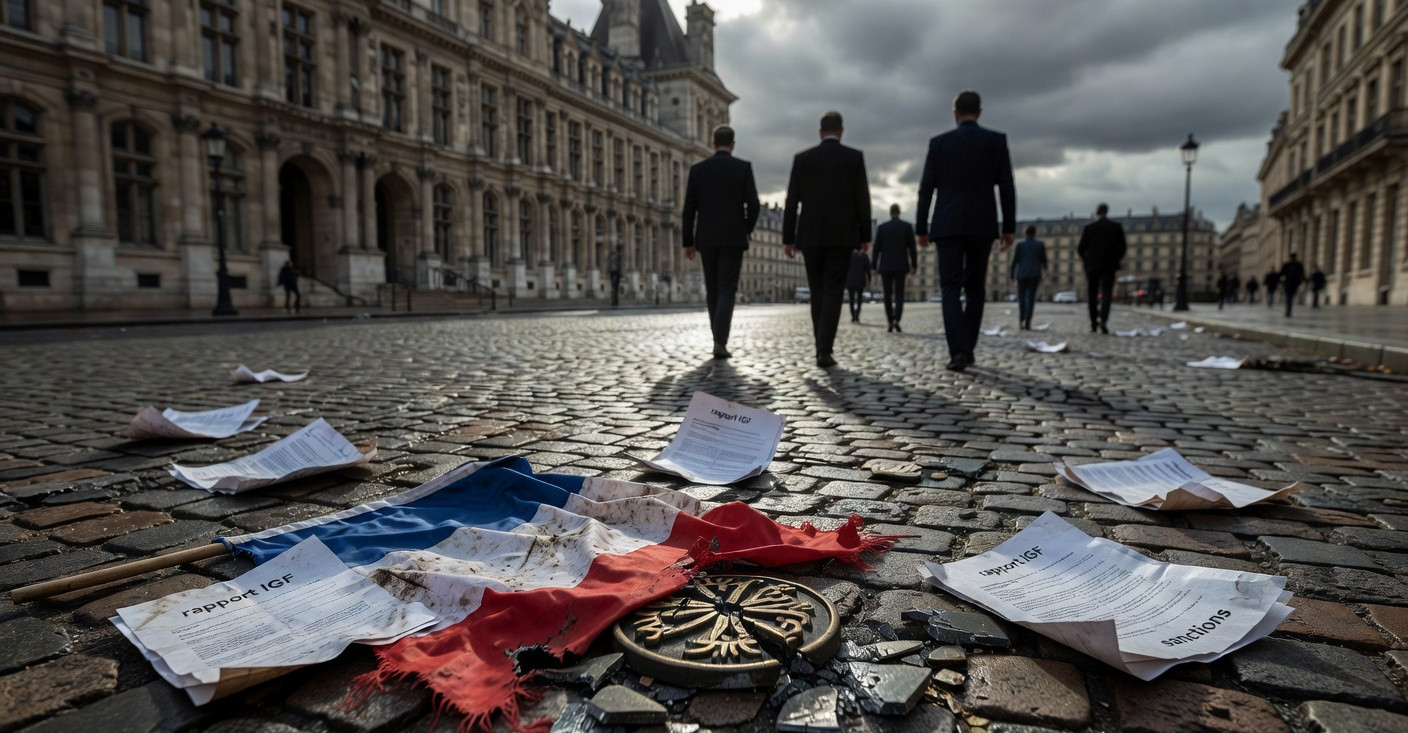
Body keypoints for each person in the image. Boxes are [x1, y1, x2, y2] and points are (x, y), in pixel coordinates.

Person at [916, 90, 1016, 372]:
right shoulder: (997, 141)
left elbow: (926, 189)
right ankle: (968, 348)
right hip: (982, 224)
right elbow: (1006, 186)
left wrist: (921, 226)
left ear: (955, 113)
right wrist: (1008, 227)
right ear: (980, 112)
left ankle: (957, 351)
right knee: (975, 288)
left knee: (949, 287)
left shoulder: (939, 143)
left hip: (947, 223)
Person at [783, 110, 872, 368]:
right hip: (842, 235)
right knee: (833, 290)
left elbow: (791, 202)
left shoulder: (803, 159)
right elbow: (862, 199)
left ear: (820, 132)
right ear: (841, 131)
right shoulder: (853, 158)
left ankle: (819, 345)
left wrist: (789, 238)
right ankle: (825, 349)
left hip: (810, 235)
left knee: (817, 291)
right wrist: (865, 235)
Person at [682, 125, 761, 360]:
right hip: (733, 238)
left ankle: (716, 338)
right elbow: (754, 205)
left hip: (706, 238)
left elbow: (689, 209)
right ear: (733, 144)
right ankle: (720, 341)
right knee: (727, 288)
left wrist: (688, 241)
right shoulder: (743, 168)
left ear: (712, 143)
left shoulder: (698, 170)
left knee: (713, 289)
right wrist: (745, 228)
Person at [1077, 203, 1126, 334]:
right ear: (1107, 211)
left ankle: (1093, 323)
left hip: (1092, 266)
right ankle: (1103, 320)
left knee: (1092, 295)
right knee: (1107, 294)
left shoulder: (1089, 227)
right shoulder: (1115, 227)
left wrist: (1087, 261)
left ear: (1097, 212)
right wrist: (1116, 259)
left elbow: (1081, 248)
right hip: (1109, 266)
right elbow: (1123, 247)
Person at [871, 204, 918, 332]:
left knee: (887, 294)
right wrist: (914, 265)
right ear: (899, 212)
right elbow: (912, 248)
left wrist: (873, 266)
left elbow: (876, 249)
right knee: (899, 293)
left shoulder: (882, 228)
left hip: (885, 265)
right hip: (900, 265)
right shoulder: (907, 227)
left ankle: (890, 320)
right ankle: (897, 318)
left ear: (890, 212)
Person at [1009, 224, 1046, 330]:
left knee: (1021, 299)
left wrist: (1012, 275)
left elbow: (1015, 261)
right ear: (1035, 233)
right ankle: (1028, 322)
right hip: (1035, 275)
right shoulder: (1040, 244)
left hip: (1022, 274)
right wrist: (1044, 272)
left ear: (1025, 233)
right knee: (1031, 298)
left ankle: (1021, 321)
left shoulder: (1020, 245)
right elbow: (1044, 261)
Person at [846, 248, 871, 322]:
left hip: (850, 281)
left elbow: (845, 268)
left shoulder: (849, 255)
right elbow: (868, 269)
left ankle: (853, 315)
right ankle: (857, 315)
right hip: (860, 281)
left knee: (851, 300)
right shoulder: (864, 256)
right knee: (859, 300)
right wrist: (869, 279)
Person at [1280, 252, 1306, 317]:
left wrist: (1303, 281)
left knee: (1290, 297)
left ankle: (1288, 310)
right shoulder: (1287, 265)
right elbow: (1281, 274)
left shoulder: (1298, 265)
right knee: (1289, 297)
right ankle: (1288, 310)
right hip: (1288, 284)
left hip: (1293, 284)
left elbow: (1302, 275)